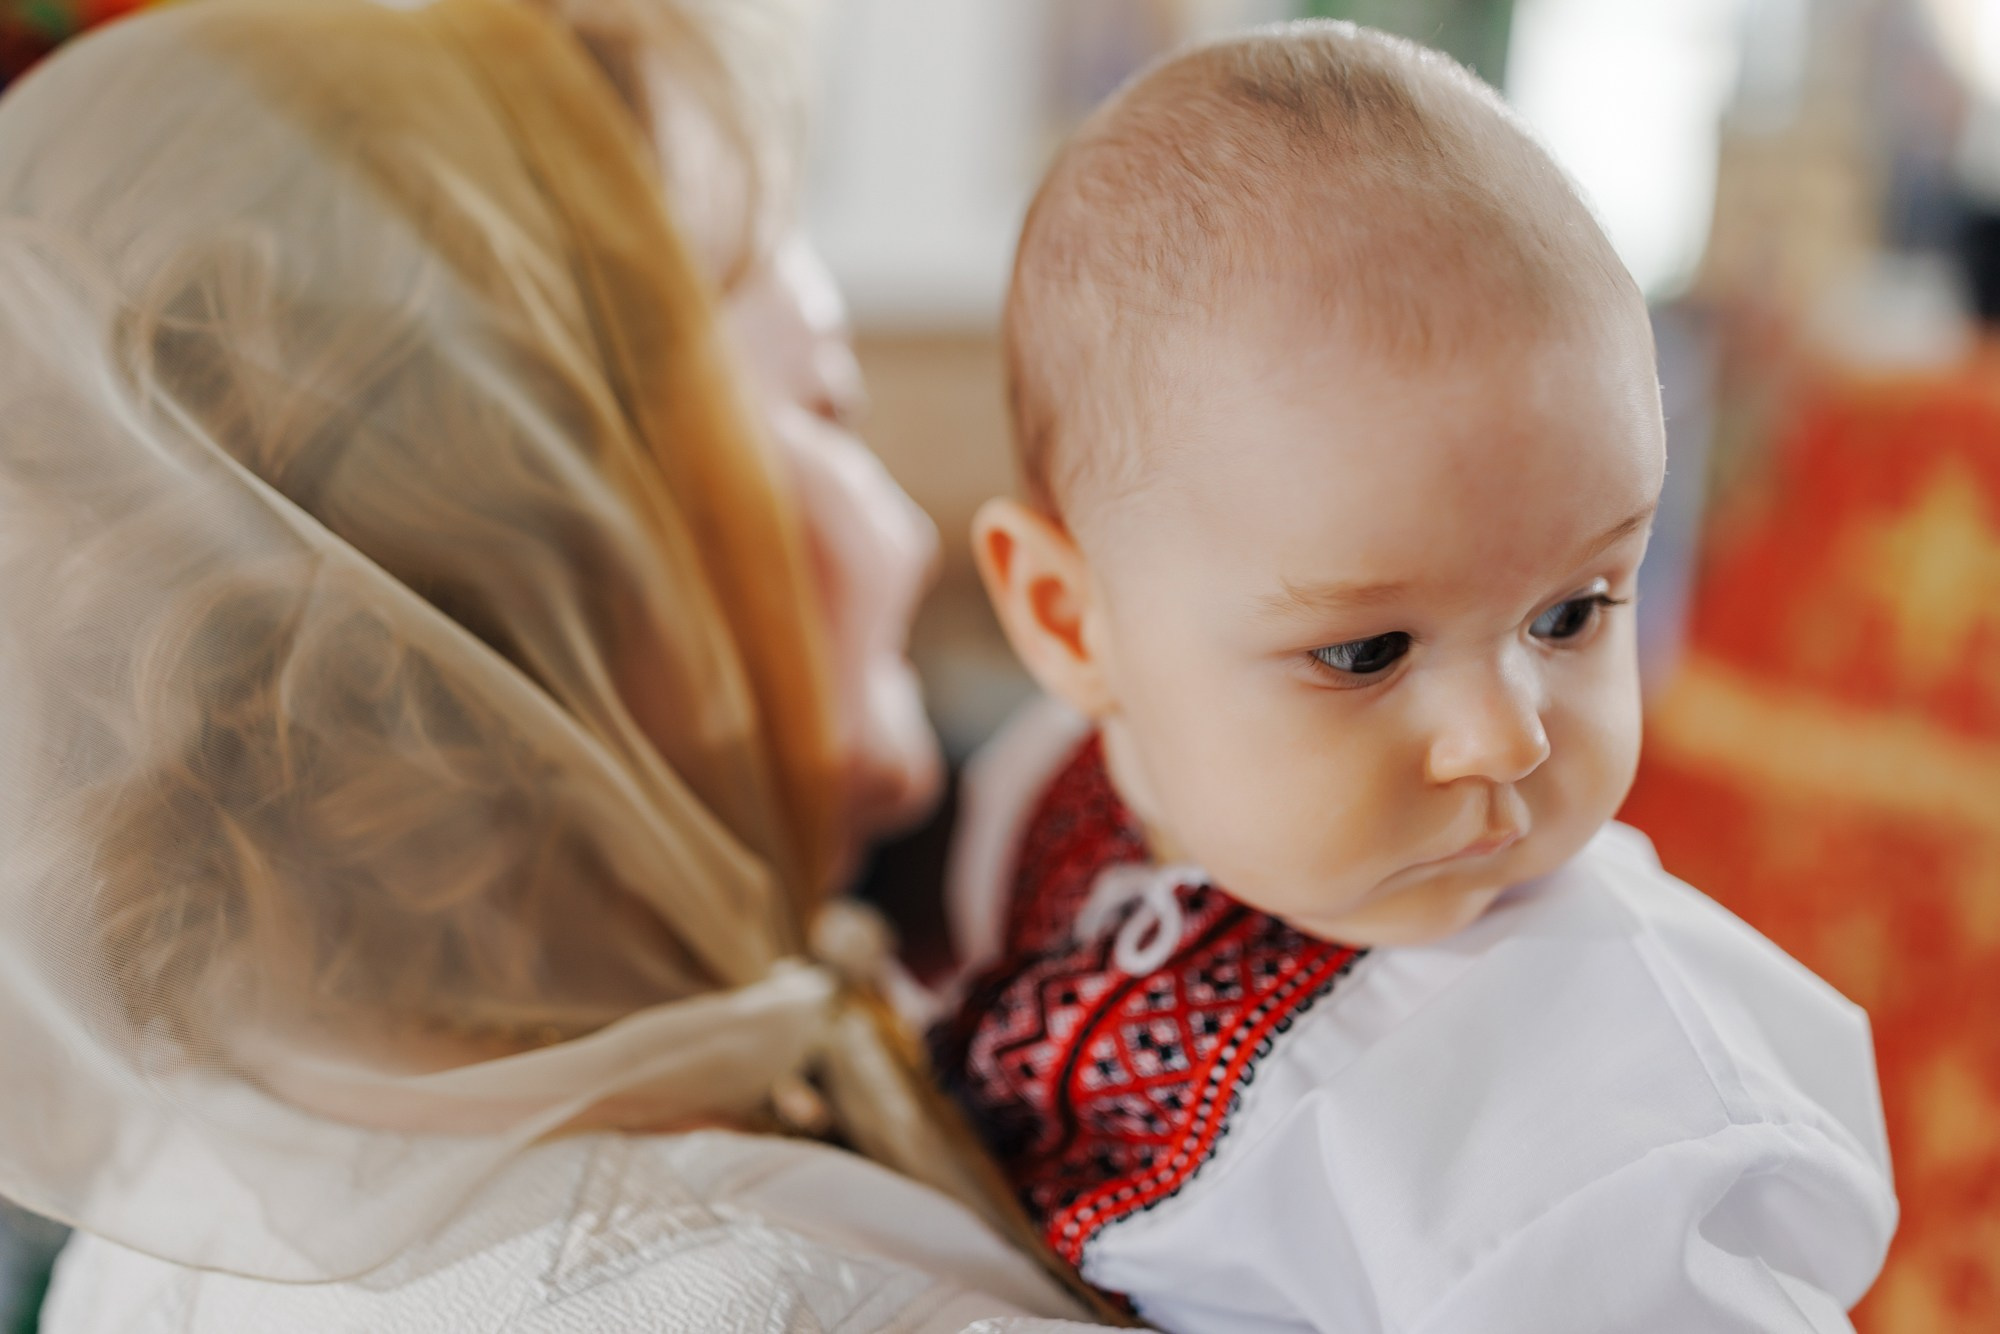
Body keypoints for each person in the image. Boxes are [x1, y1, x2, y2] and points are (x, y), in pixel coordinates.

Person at [0, 0, 1117, 1328]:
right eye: (826, 403)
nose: (915, 534)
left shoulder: (197, 1198)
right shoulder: (815, 1304)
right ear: (581, 561)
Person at [930, 23, 1899, 1333]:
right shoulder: (1045, 792)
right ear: (1072, 619)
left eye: (1572, 610)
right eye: (1366, 650)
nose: (1507, 737)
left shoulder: (1605, 1103)